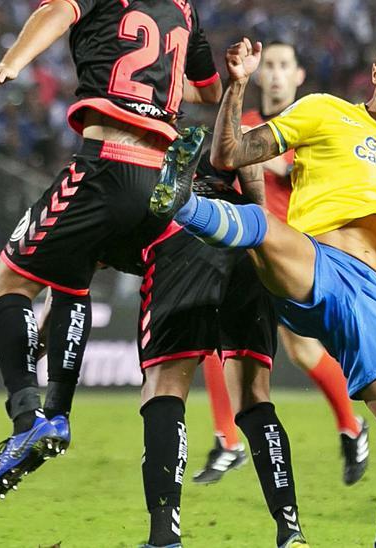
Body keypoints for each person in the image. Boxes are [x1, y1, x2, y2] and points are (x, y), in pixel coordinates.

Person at [158, 25, 376, 547]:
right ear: (375, 71)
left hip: (372, 300)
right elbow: (229, 155)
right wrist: (236, 85)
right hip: (312, 264)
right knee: (263, 225)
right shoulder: (323, 110)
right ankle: (181, 202)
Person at [0, 0, 222, 498]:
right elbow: (210, 90)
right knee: (72, 276)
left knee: (7, 281)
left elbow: (58, 10)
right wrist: (161, 82)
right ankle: (57, 414)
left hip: (107, 164)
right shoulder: (184, 8)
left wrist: (13, 62)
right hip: (162, 185)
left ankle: (26, 420)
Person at [192, 41, 370, 488]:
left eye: (282, 66)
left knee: (305, 350)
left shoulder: (308, 125)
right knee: (213, 332)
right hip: (251, 253)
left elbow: (286, 168)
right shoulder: (244, 122)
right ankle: (227, 440)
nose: (273, 74)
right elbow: (222, 163)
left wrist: (243, 150)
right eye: (267, 65)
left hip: (298, 252)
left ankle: (352, 426)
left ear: (298, 76)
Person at [114, 149, 307, 547]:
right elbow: (243, 153)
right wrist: (258, 219)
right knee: (254, 398)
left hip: (181, 242)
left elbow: (86, 254)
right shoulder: (209, 153)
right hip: (246, 239)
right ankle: (290, 530)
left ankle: (164, 535)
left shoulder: (121, 163)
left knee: (164, 387)